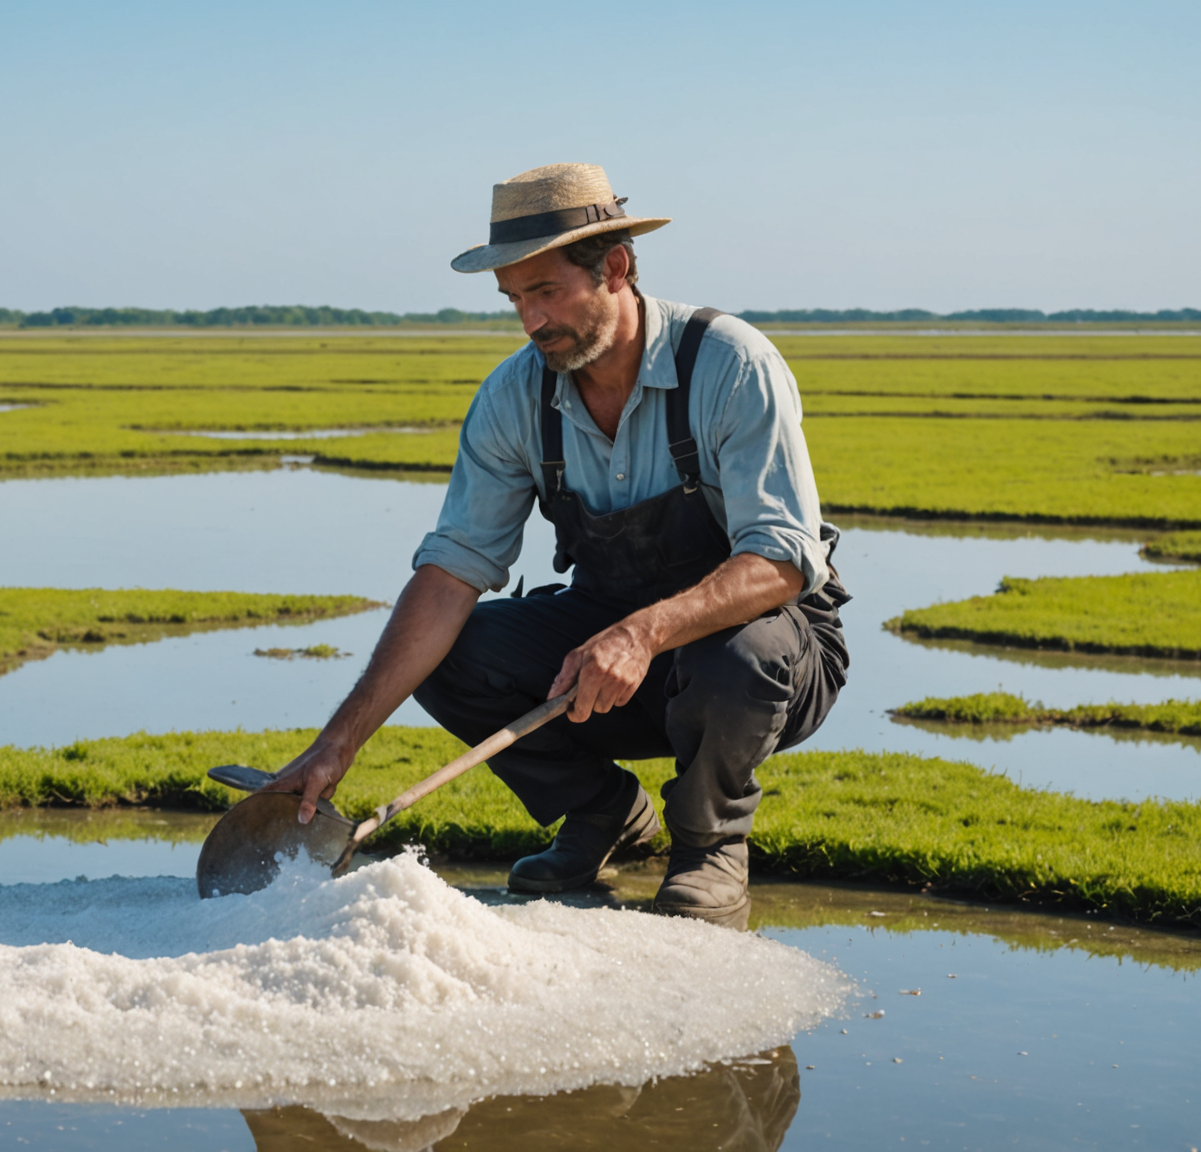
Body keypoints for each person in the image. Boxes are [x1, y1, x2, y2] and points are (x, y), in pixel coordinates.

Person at [261, 163, 849, 924]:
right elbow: (449, 574)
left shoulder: (730, 363)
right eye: (514, 299)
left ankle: (708, 847)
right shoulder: (514, 394)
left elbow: (779, 560)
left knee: (736, 657)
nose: (530, 322)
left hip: (766, 655)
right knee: (451, 653)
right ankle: (601, 812)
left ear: (615, 267)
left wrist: (644, 632)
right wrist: (337, 744)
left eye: (545, 293)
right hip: (604, 644)